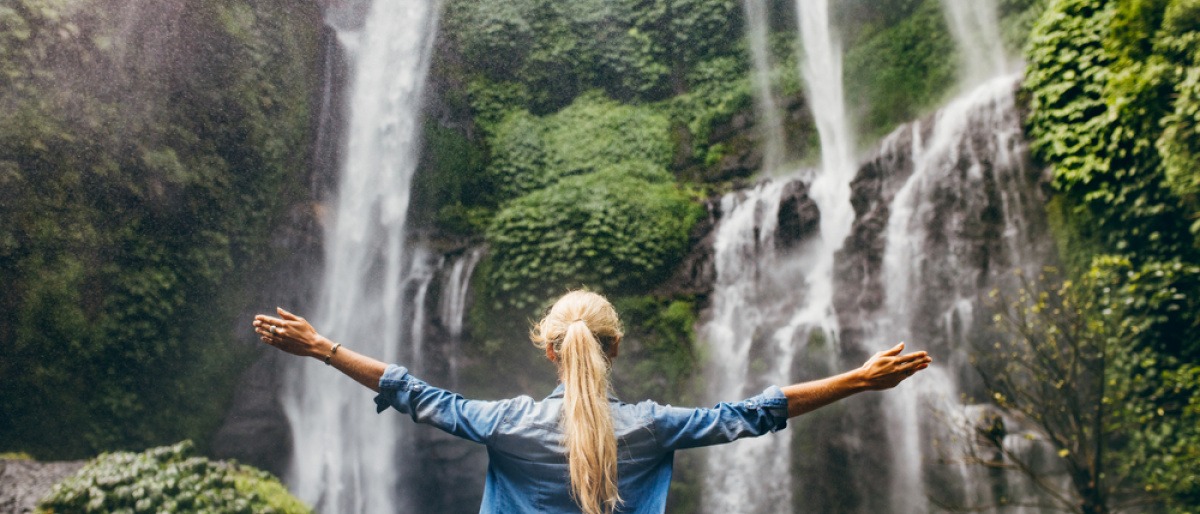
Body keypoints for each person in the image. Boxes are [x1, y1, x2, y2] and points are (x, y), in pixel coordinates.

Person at [253, 290, 931, 514]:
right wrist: (857, 379)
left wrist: (321, 347)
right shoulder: (653, 427)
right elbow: (752, 412)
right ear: (613, 349)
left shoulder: (506, 423)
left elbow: (413, 392)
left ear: (551, 350)